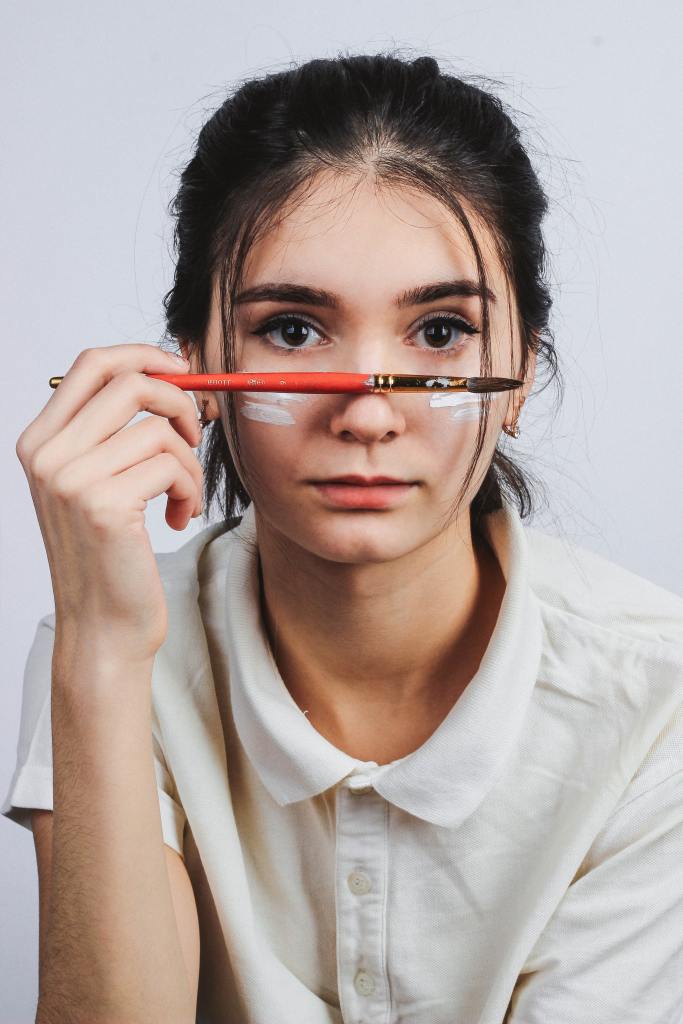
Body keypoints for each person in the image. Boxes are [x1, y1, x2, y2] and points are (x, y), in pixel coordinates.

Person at [4, 52, 683, 1024]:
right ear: (191, 366)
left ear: (521, 371)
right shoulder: (104, 643)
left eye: (440, 331)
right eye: (290, 330)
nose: (367, 415)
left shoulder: (654, 700)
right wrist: (101, 654)